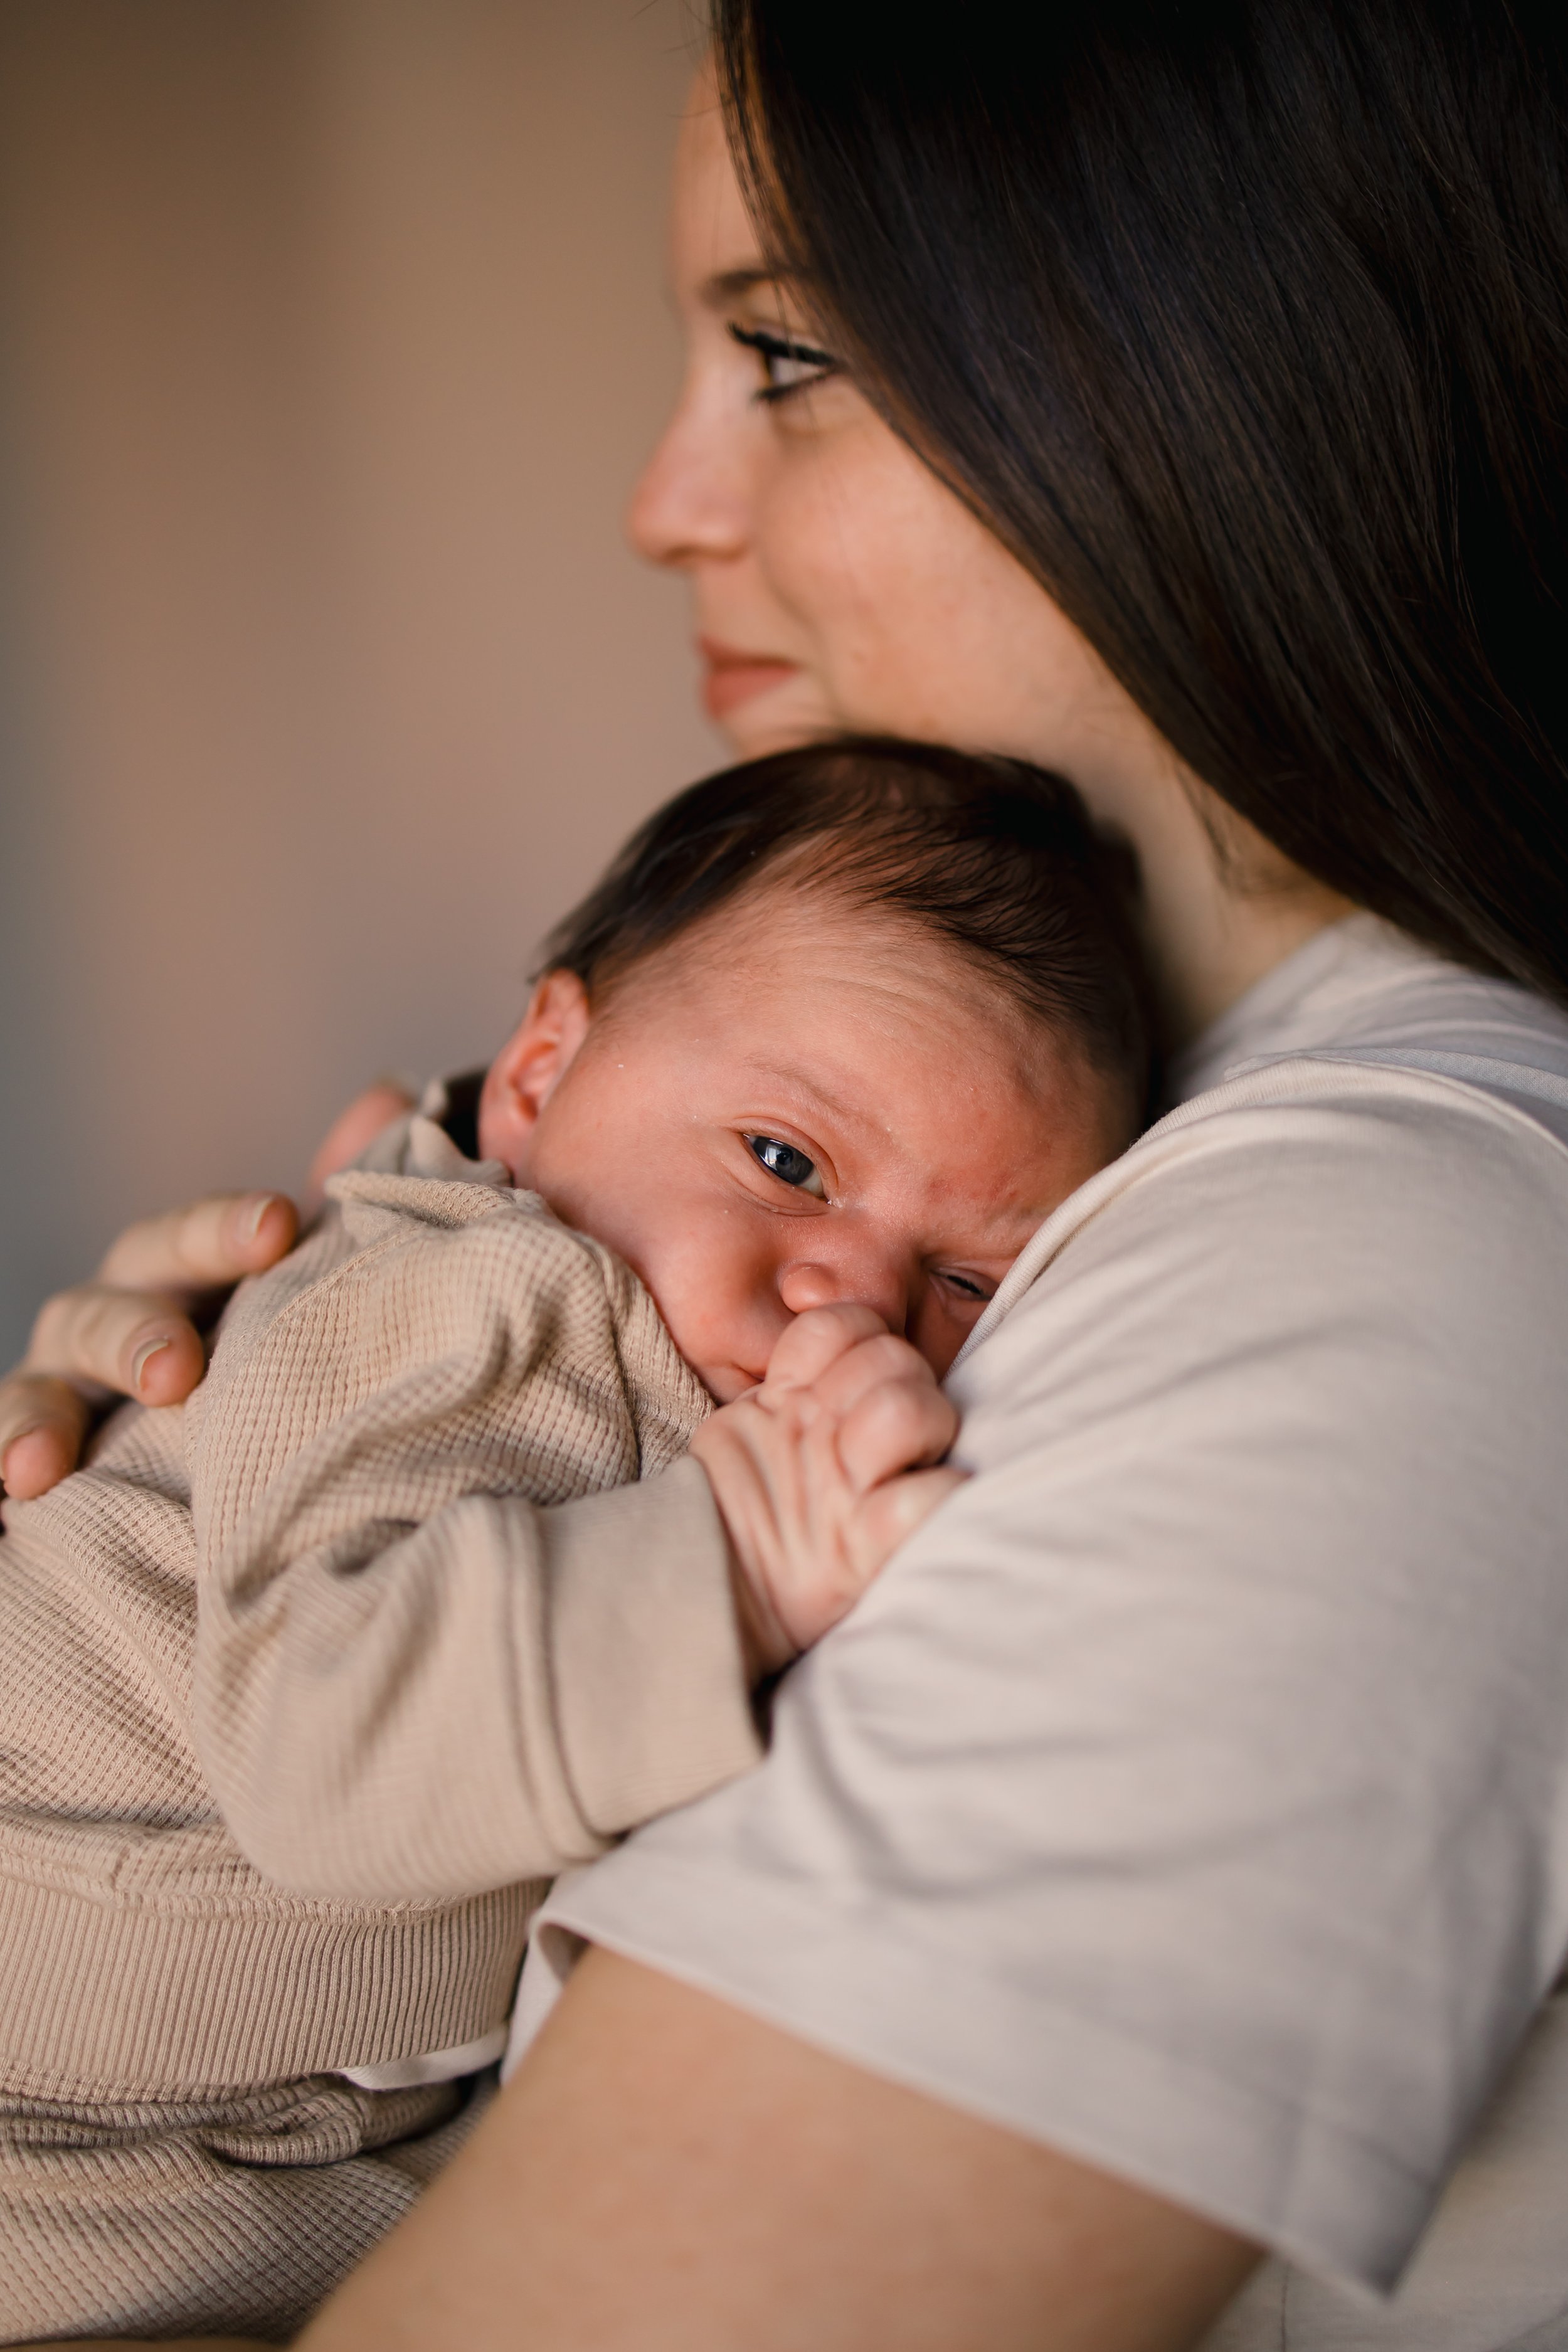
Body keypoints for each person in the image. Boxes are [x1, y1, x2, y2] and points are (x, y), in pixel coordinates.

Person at [6, 1, 1568, 2344]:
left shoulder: (1380, 1259)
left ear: (1206, 364)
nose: (665, 505)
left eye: (792, 356)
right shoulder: (1200, 1155)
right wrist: (188, 1518)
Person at [0, 738, 1148, 2343]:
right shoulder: (489, 1296)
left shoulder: (641, 1327)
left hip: (207, 2126)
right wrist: (740, 1554)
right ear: (538, 1079)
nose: (853, 1294)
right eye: (783, 1160)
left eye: (963, 1282)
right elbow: (335, 1746)